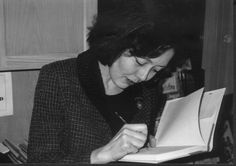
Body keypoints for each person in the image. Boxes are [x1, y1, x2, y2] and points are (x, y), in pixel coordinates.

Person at [27, 8, 185, 164]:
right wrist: (99, 156)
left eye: (156, 69)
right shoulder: (59, 77)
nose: (144, 76)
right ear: (114, 44)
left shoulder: (149, 89)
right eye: (140, 62)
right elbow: (39, 160)